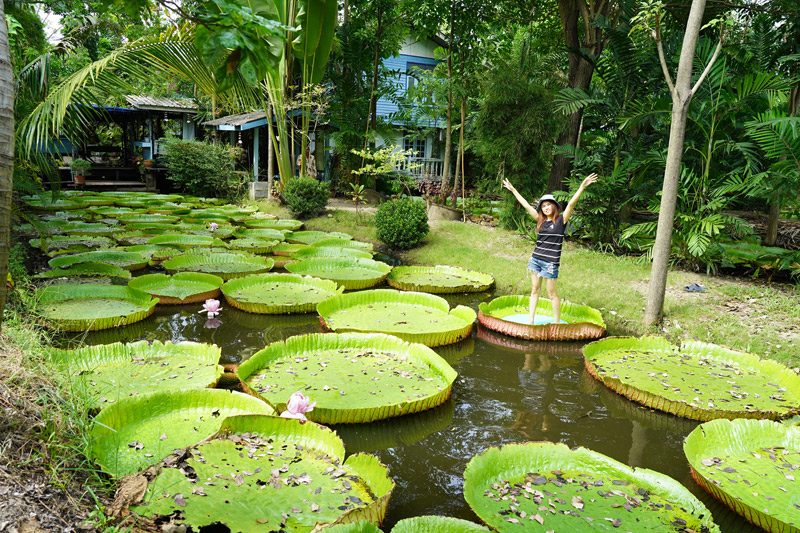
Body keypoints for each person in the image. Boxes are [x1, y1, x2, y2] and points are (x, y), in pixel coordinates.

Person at [502, 173, 598, 324]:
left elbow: (572, 204)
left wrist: (582, 186)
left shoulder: (561, 221)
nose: (546, 208)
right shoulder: (540, 220)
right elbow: (526, 205)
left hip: (550, 263)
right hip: (536, 259)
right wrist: (513, 190)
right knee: (534, 290)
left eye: (548, 205)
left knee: (551, 293)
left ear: (554, 206)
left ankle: (556, 322)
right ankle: (531, 320)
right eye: (543, 206)